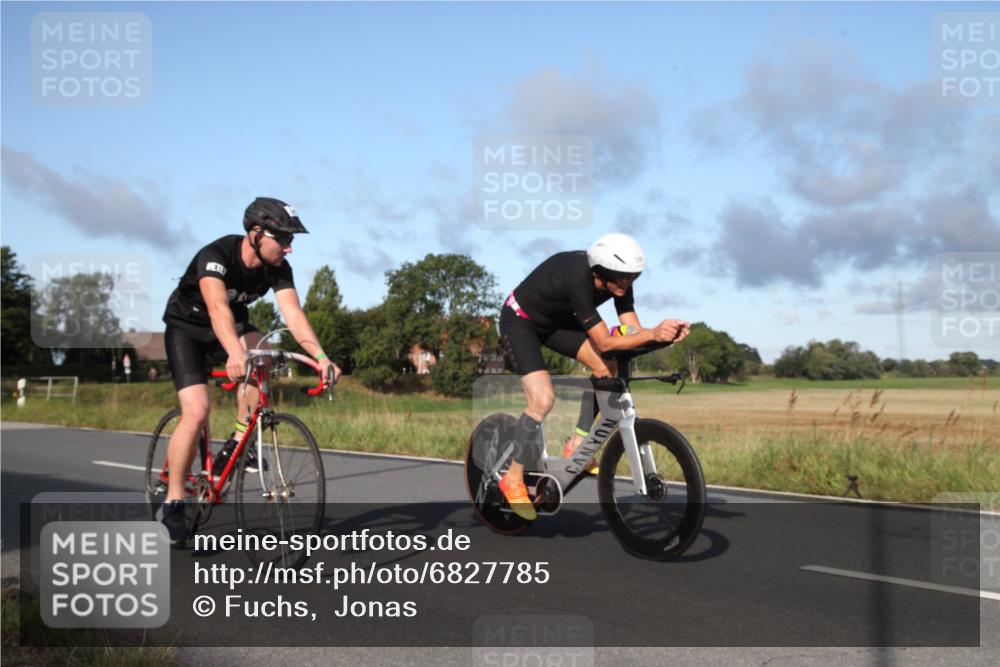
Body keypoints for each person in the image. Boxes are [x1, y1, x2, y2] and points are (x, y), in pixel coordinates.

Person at [160, 197, 341, 544]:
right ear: (257, 234)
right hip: (188, 329)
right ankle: (173, 502)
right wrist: (232, 352)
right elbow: (216, 307)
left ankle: (245, 436)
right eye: (283, 239)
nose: (289, 248)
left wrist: (321, 357)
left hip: (231, 326)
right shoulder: (215, 256)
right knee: (196, 411)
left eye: (292, 241)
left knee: (265, 352)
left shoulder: (277, 268)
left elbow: (293, 315)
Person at [498, 233, 690, 520]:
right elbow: (605, 342)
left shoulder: (621, 284)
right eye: (622, 279)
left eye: (633, 278)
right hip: (521, 321)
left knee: (606, 367)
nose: (627, 285)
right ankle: (511, 478)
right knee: (542, 400)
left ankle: (576, 444)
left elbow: (633, 331)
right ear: (601, 272)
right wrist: (651, 334)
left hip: (557, 322)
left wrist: (664, 337)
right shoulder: (578, 279)